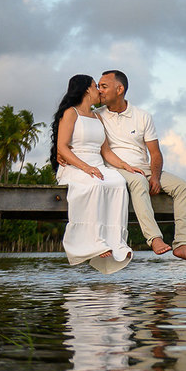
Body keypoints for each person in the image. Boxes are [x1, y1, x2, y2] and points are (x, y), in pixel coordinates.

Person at [96, 69, 186, 263]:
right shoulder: (97, 116)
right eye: (98, 86)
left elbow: (155, 153)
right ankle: (154, 238)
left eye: (104, 86)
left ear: (119, 89)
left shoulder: (142, 116)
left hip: (143, 168)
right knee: (138, 182)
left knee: (183, 187)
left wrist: (155, 176)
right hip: (117, 169)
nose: (99, 91)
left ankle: (182, 244)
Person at [50, 74, 133, 274]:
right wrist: (86, 168)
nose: (99, 91)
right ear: (87, 89)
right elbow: (62, 147)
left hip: (97, 166)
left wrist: (125, 166)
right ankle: (93, 241)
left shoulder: (97, 117)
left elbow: (106, 152)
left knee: (118, 183)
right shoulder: (71, 113)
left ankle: (116, 242)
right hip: (75, 166)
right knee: (95, 184)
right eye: (96, 86)